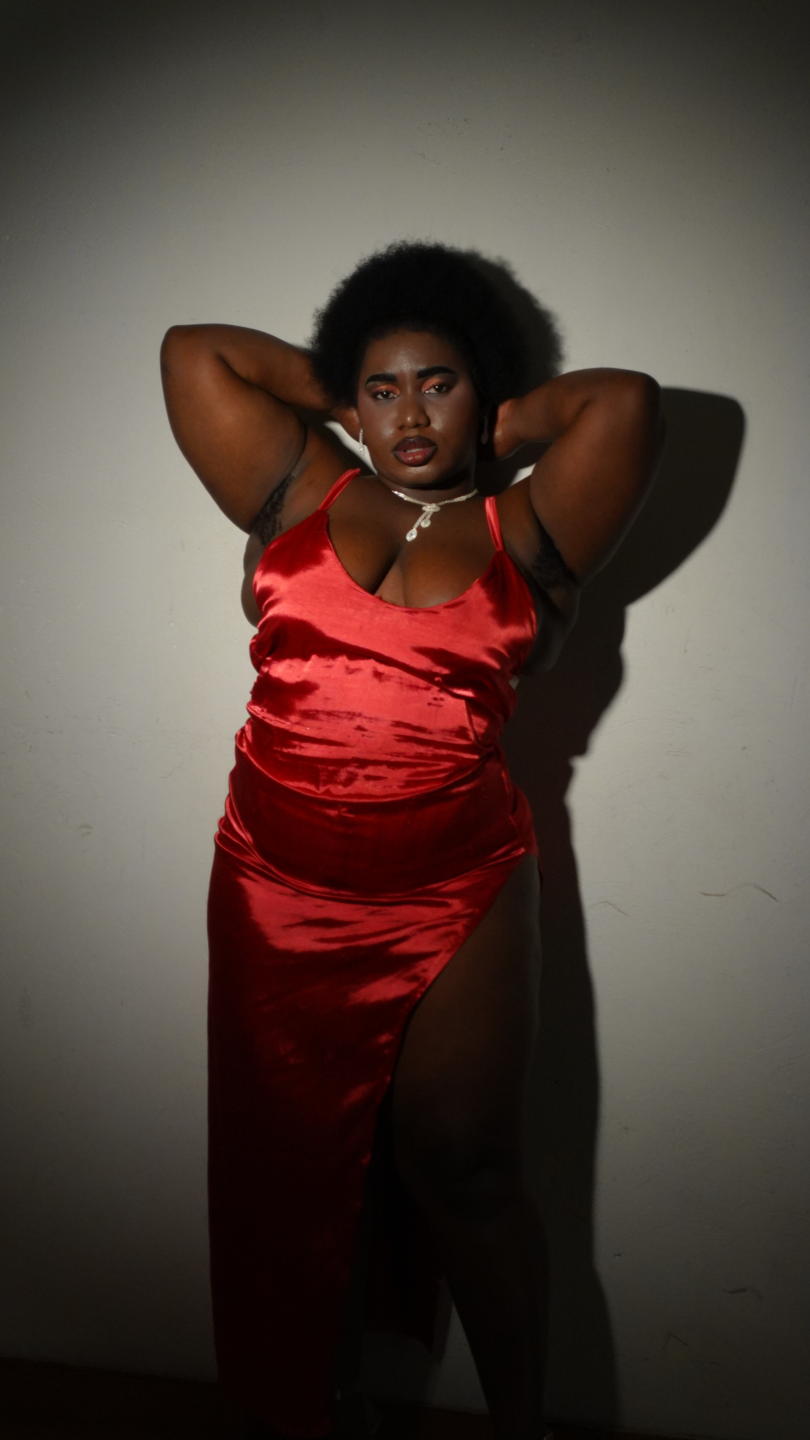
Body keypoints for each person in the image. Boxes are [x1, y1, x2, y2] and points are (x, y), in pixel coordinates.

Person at [160, 241, 662, 1440]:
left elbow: (626, 402)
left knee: (466, 1164)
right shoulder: (299, 491)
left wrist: (493, 414)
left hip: (455, 888)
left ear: (479, 390)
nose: (409, 413)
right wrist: (345, 391)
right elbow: (193, 354)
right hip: (276, 883)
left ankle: (520, 1425)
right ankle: (310, 1410)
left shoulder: (527, 527)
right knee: (288, 1172)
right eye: (381, 390)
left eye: (436, 383)